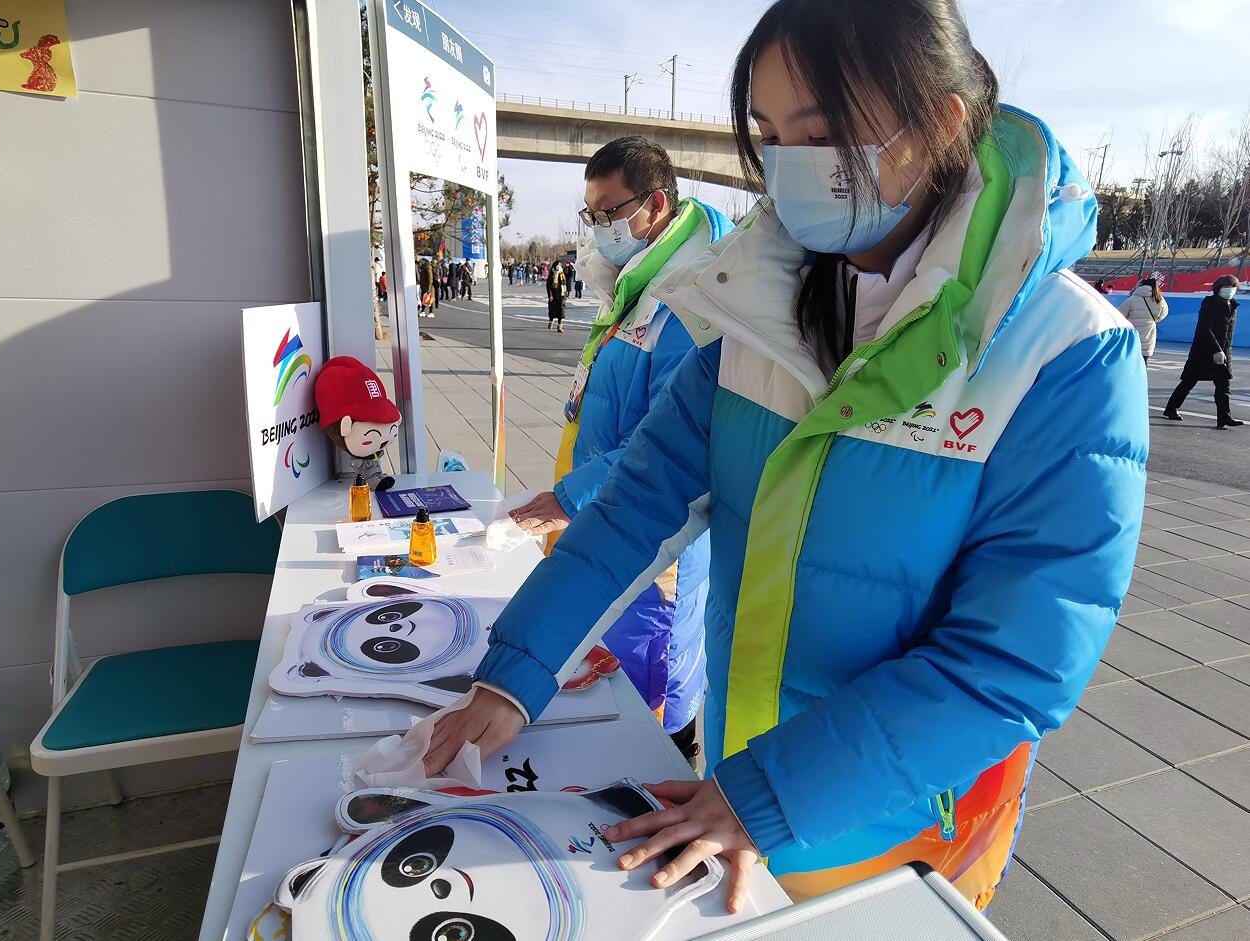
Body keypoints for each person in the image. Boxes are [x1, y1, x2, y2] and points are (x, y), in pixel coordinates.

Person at [424, 0, 1146, 915]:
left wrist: (767, 797)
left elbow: (1014, 662)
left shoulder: (1064, 353)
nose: (789, 164)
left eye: (822, 131)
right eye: (769, 135)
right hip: (733, 801)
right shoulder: (754, 311)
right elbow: (636, 507)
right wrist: (516, 670)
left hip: (899, 835)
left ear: (938, 123)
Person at [510, 135, 735, 763]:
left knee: (650, 687)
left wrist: (570, 497)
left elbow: (671, 440)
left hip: (652, 539)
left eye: (607, 212)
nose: (598, 229)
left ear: (655, 205)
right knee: (607, 669)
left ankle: (665, 767)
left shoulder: (691, 301)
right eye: (590, 214)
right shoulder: (642, 281)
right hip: (607, 513)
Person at [1163, 275, 1241, 427]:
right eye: (1226, 287)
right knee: (1188, 382)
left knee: (1224, 386)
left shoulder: (1232, 306)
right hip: (1203, 353)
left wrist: (1223, 351)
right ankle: (1171, 408)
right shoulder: (1209, 305)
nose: (1230, 290)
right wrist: (1216, 350)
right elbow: (1204, 329)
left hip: (1224, 352)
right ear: (1218, 289)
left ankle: (1224, 417)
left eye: (1233, 287)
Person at [1119, 277, 1168, 363]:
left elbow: (1120, 315)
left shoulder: (1132, 299)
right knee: (1143, 363)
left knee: (1129, 364)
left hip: (1132, 337)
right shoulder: (1159, 299)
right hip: (1148, 336)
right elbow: (1163, 314)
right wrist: (1152, 320)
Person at [546, 258, 568, 331]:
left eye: (560, 265)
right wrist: (550, 295)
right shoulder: (552, 275)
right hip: (554, 295)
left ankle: (559, 326)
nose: (559, 267)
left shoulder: (562, 275)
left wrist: (566, 293)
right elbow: (548, 286)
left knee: (561, 310)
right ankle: (551, 321)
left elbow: (565, 285)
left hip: (561, 295)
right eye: (558, 265)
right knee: (552, 310)